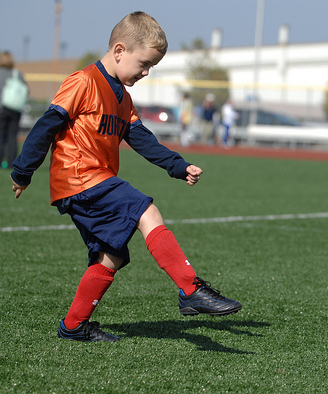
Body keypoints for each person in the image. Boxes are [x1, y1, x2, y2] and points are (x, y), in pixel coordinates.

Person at [9, 11, 242, 342]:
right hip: (80, 178)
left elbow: (142, 140)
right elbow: (47, 124)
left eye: (151, 67)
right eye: (143, 63)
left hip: (93, 181)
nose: (146, 72)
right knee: (146, 211)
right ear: (119, 51)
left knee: (112, 255)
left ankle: (74, 325)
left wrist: (177, 166)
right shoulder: (83, 81)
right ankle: (191, 289)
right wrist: (23, 170)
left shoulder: (124, 98)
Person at [0, 51, 28, 169]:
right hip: (15, 109)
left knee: (1, 136)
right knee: (12, 136)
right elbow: (26, 90)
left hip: (2, 108)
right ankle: (11, 162)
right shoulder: (17, 74)